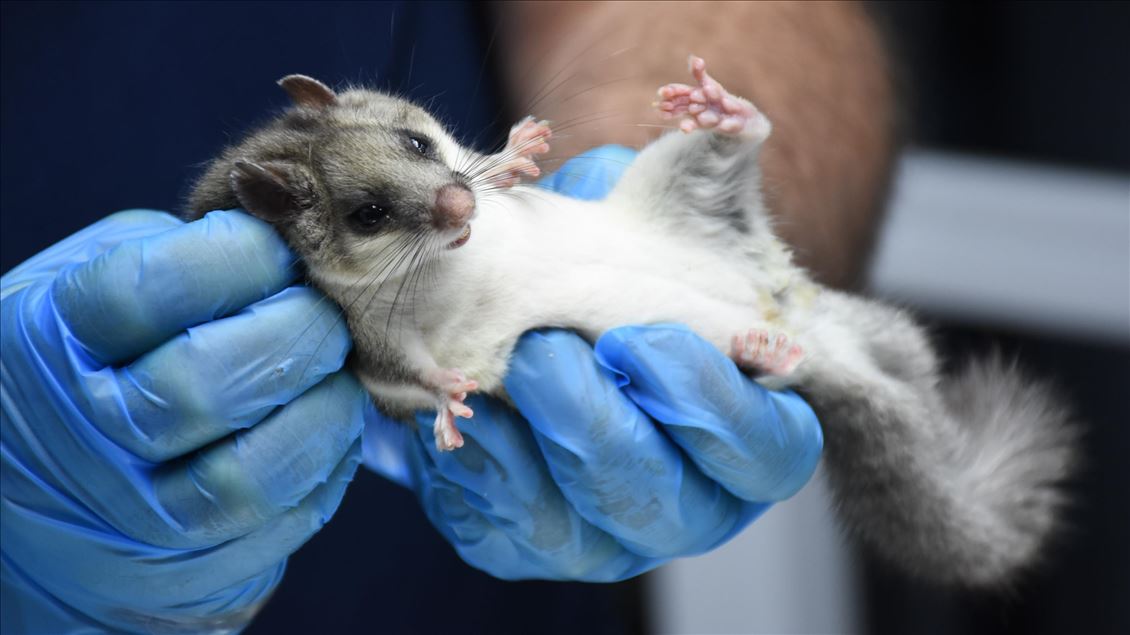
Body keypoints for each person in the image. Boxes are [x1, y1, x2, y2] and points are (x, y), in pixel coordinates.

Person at [0, 2, 895, 632]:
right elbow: (393, 358)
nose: (453, 200)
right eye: (374, 214)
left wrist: (652, 235)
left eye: (424, 152)